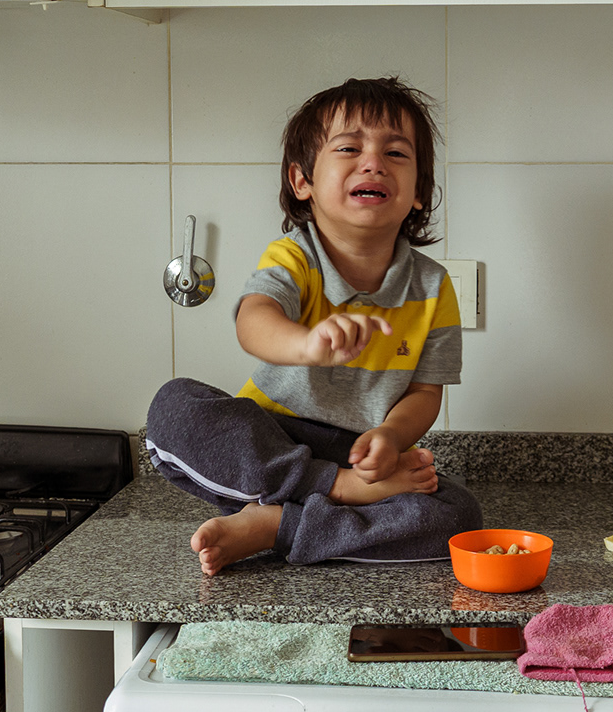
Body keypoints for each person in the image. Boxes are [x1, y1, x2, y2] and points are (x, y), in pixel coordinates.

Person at [144, 77, 483, 575]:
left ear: (418, 192)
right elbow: (253, 319)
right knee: (173, 405)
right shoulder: (295, 257)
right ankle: (331, 492)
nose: (374, 162)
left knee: (459, 516)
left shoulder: (433, 286)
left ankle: (276, 526)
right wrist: (306, 344)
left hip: (359, 453)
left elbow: (425, 392)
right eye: (349, 148)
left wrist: (391, 436)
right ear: (302, 180)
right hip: (271, 444)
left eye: (396, 153)